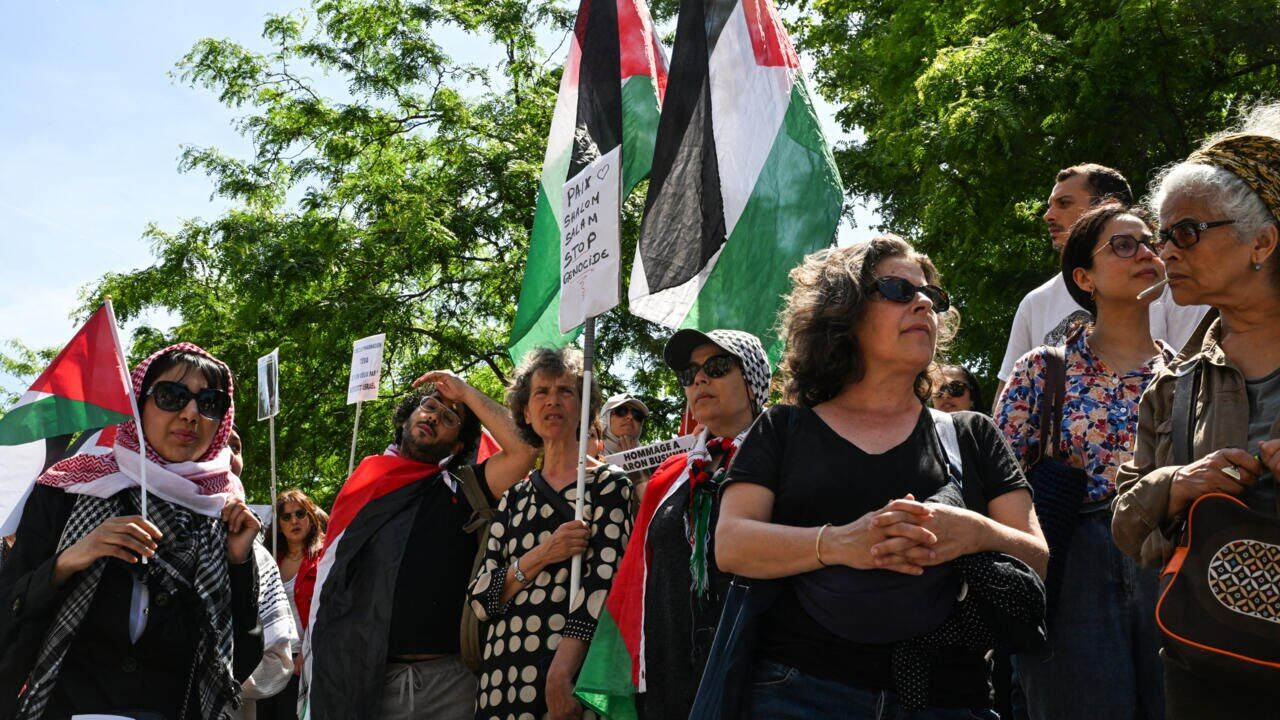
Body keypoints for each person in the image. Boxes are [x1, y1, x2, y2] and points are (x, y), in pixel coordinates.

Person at [716, 237, 1048, 719]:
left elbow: (1037, 560)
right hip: (796, 692)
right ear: (844, 310)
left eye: (932, 296)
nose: (923, 303)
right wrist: (839, 543)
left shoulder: (973, 433)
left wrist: (973, 533)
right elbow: (731, 544)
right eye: (897, 289)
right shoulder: (784, 428)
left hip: (949, 699)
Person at [1112, 103, 1280, 717]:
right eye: (1163, 235)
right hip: (1208, 662)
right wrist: (1177, 484)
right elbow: (1127, 523)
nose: (1165, 252)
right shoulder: (1173, 382)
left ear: (1262, 241)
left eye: (1186, 232)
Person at [0, 343, 264, 719]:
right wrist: (69, 561)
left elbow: (239, 662)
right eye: (171, 396)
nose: (191, 414)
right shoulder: (69, 492)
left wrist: (238, 565)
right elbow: (8, 612)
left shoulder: (223, 515)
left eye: (209, 403)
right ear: (138, 405)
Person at [995, 205, 1170, 719]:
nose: (1146, 253)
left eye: (1150, 243)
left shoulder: (1189, 374)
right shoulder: (1042, 371)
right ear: (1083, 277)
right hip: (1070, 561)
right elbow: (996, 483)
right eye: (1123, 244)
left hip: (1166, 558)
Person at [297, 371, 538, 720]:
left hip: (451, 684)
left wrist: (466, 392)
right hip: (371, 682)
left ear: (458, 446)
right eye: (429, 406)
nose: (434, 417)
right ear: (408, 415)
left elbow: (526, 448)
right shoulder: (366, 484)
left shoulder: (465, 489)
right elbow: (334, 584)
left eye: (449, 418)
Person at [575, 329, 772, 719]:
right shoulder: (670, 477)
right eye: (690, 374)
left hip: (760, 677)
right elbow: (636, 579)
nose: (699, 379)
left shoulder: (787, 455)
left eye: (716, 367)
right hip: (669, 681)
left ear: (751, 380)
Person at [468, 347, 632, 720]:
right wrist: (544, 553)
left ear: (584, 406)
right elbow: (480, 598)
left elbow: (604, 587)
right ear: (525, 411)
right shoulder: (513, 497)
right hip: (502, 682)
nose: (552, 401)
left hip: (572, 681)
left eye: (565, 391)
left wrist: (561, 673)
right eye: (541, 392)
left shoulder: (609, 486)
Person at [994, 164, 1208, 402]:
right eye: (1124, 245)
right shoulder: (1035, 305)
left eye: (1064, 203)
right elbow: (1005, 417)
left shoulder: (1172, 289)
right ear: (1083, 279)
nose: (1048, 215)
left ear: (1109, 205)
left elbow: (1196, 385)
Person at [226, 429, 300, 720]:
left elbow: (274, 660)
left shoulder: (257, 552)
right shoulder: (140, 521)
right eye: (221, 442)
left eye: (236, 446)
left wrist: (219, 681)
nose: (231, 455)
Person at [252, 488, 324, 720]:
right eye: (286, 516)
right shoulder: (269, 559)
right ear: (279, 524)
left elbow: (328, 611)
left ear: (310, 518)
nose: (294, 520)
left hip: (305, 659)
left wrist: (307, 654)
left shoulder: (324, 557)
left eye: (300, 513)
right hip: (270, 658)